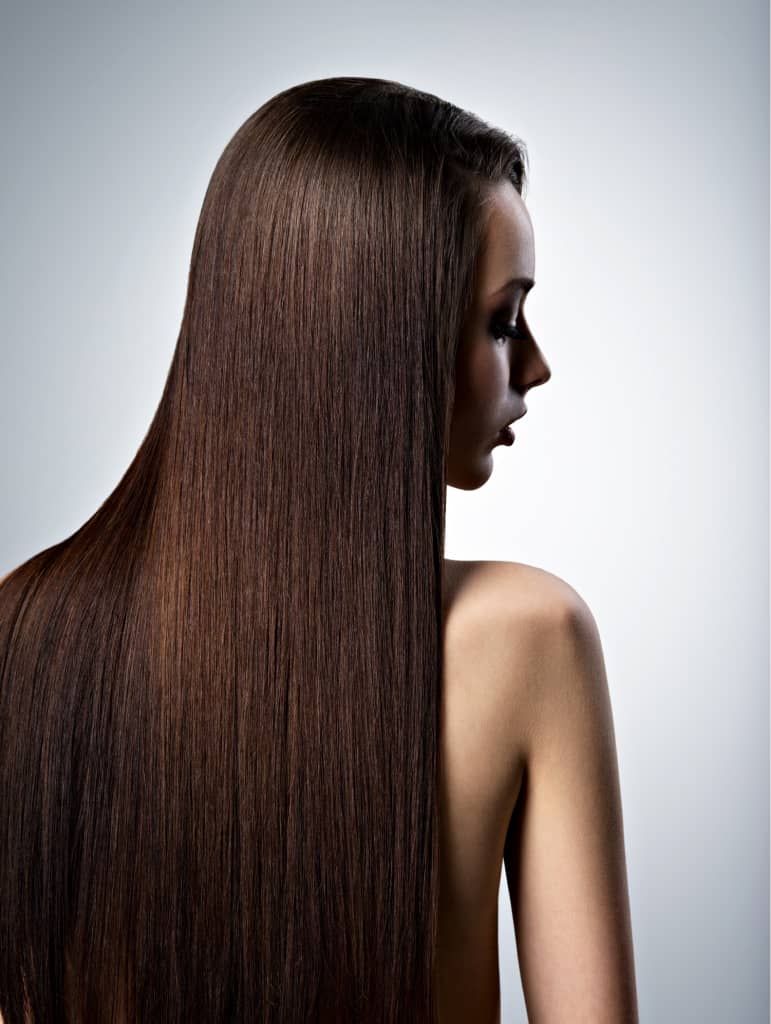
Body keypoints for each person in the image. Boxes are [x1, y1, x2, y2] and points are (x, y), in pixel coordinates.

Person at [0, 77, 638, 1022]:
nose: (534, 364)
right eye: (502, 320)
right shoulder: (526, 636)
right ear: (384, 340)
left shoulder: (27, 631)